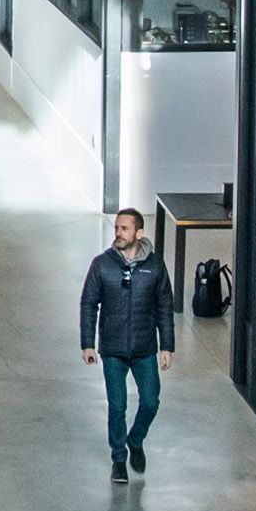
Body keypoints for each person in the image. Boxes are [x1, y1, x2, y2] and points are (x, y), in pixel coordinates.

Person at [77, 207, 176, 483]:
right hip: (113, 349)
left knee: (151, 401)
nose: (118, 233)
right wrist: (88, 344)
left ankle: (136, 439)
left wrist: (167, 346)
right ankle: (119, 459)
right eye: (117, 228)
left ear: (139, 233)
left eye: (124, 229)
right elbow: (88, 304)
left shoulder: (155, 267)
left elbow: (165, 307)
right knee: (117, 406)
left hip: (145, 348)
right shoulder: (102, 265)